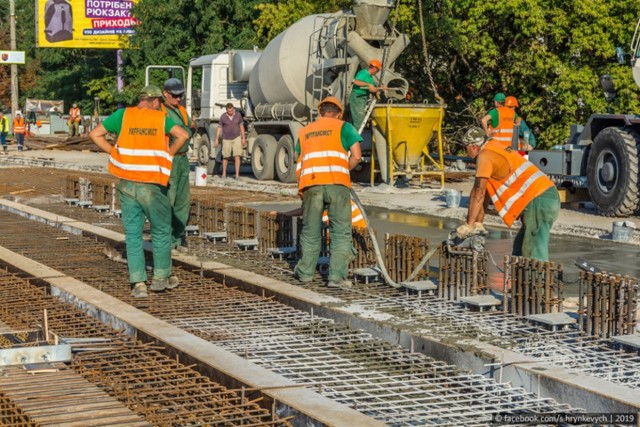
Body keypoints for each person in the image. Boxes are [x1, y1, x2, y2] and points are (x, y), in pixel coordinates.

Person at [89, 85, 189, 298]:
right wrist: (168, 154)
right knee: (161, 230)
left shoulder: (123, 115)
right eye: (159, 103)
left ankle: (138, 284)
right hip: (152, 184)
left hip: (128, 185)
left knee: (133, 235)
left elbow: (95, 134)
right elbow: (182, 135)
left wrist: (114, 152)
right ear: (154, 101)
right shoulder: (158, 118)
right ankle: (161, 277)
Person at [456, 127, 560, 261]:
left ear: (474, 147)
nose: (466, 153)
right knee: (519, 252)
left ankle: (539, 281)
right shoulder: (494, 147)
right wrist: (478, 223)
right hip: (540, 198)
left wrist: (468, 225)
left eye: (466, 149)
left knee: (533, 256)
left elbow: (478, 191)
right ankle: (521, 280)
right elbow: (485, 193)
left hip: (539, 198)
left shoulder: (485, 155)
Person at [294, 96, 362, 288]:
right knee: (340, 232)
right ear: (339, 113)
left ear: (319, 112)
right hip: (337, 185)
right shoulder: (344, 127)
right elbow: (357, 155)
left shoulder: (304, 131)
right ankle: (336, 277)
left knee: (310, 231)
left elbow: (298, 159)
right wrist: (342, 170)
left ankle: (305, 273)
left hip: (311, 185)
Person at [162, 78, 195, 252]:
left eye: (180, 95)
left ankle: (178, 236)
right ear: (165, 94)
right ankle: (165, 237)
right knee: (169, 199)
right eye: (175, 96)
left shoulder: (181, 110)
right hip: (170, 159)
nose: (178, 99)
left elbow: (190, 125)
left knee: (183, 200)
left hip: (183, 159)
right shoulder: (161, 111)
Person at [349, 59, 387, 131]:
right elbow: (356, 82)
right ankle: (354, 139)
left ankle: (354, 136)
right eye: (378, 70)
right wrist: (368, 84)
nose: (377, 72)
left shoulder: (370, 77)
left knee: (359, 119)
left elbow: (372, 89)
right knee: (359, 120)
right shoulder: (364, 73)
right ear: (374, 69)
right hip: (357, 97)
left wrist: (381, 89)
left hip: (362, 99)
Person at [214, 103, 246, 179]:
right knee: (225, 156)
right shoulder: (223, 117)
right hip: (226, 139)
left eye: (232, 110)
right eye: (229, 111)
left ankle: (237, 175)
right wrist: (216, 139)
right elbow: (219, 128)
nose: (231, 112)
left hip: (236, 138)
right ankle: (224, 174)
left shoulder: (238, 115)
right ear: (226, 110)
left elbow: (241, 126)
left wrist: (243, 138)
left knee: (237, 156)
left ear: (233, 109)